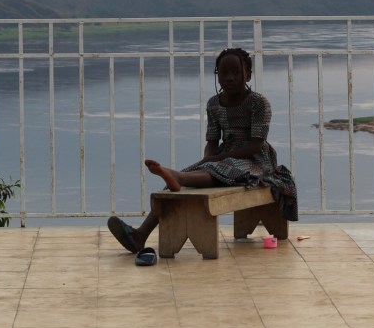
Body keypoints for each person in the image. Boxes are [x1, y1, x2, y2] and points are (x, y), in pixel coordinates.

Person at [108, 47, 298, 254]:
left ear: (248, 75)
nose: (230, 77)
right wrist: (207, 158)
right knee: (185, 178)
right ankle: (140, 235)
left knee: (223, 167)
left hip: (255, 159)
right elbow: (212, 142)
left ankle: (179, 177)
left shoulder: (258, 102)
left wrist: (218, 158)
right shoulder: (214, 104)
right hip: (224, 155)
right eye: (224, 73)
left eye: (236, 72)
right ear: (217, 76)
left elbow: (256, 144)